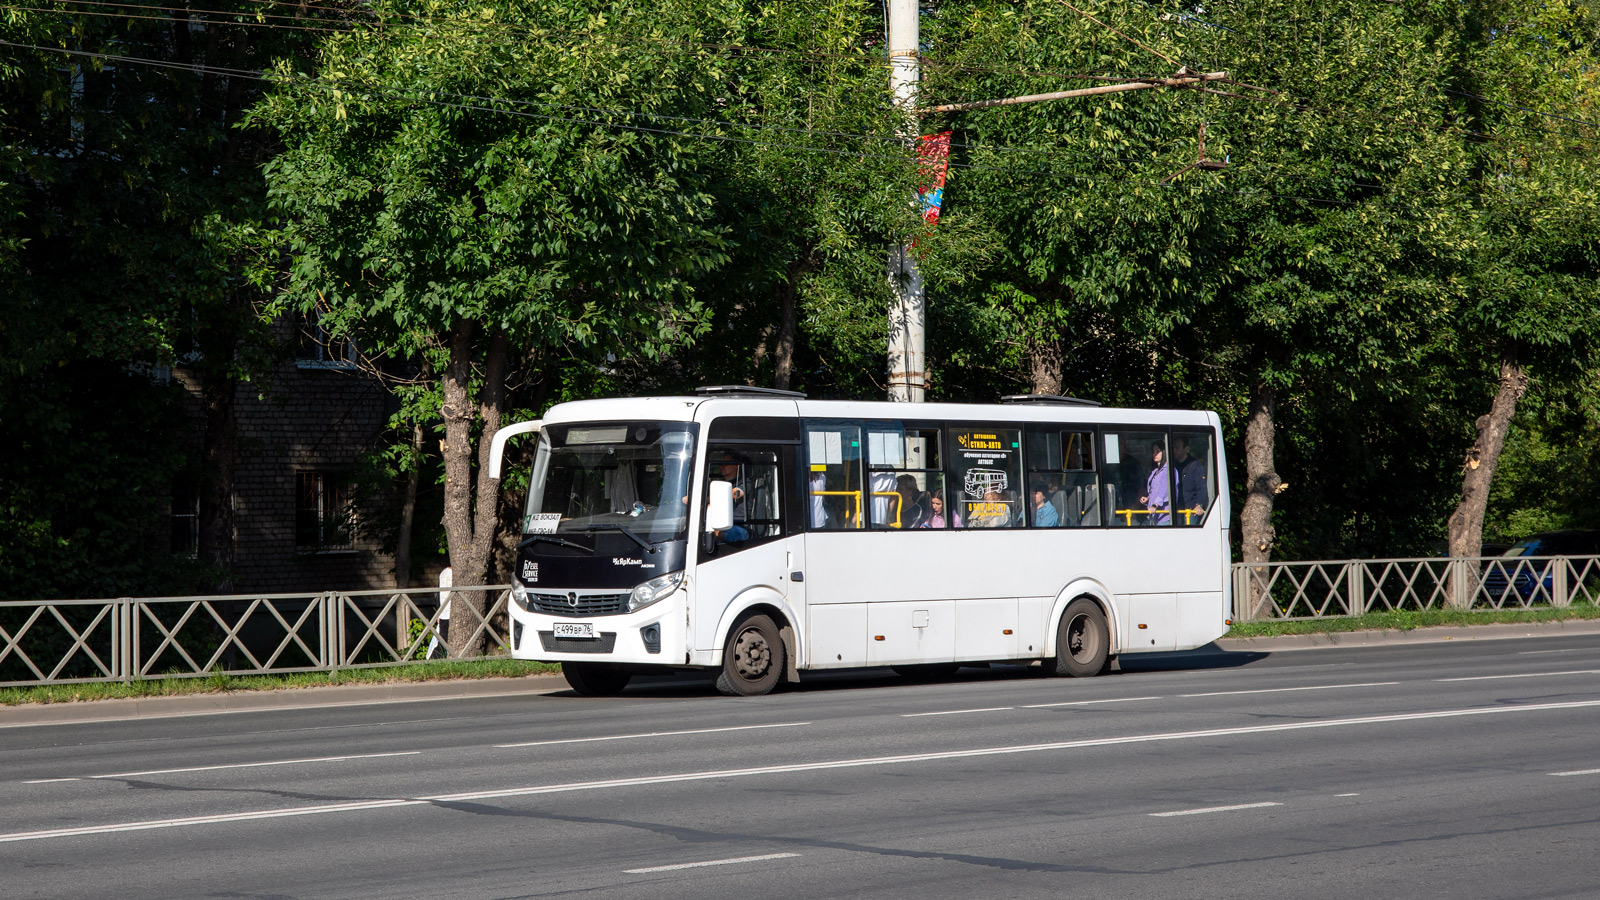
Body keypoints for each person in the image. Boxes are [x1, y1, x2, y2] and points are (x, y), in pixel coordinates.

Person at [1172, 436, 1207, 523]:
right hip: (1177, 509)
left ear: (1186, 449)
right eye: (1173, 447)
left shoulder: (1196, 466)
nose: (1174, 450)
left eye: (1177, 447)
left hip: (1191, 510)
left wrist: (1199, 505)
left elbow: (1201, 488)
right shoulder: (1172, 466)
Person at [1139, 441, 1170, 525]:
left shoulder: (1169, 470)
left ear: (1164, 451)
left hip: (1164, 516)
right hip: (1154, 516)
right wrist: (1148, 499)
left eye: (1157, 450)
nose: (1154, 453)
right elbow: (1155, 490)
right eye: (1153, 451)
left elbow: (1165, 490)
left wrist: (1155, 505)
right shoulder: (1155, 472)